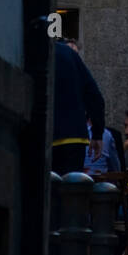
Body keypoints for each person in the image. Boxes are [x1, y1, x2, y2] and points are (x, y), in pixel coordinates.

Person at [51, 38, 106, 176]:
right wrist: (97, 134)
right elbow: (94, 95)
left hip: (45, 135)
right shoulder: (68, 53)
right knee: (70, 189)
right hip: (74, 136)